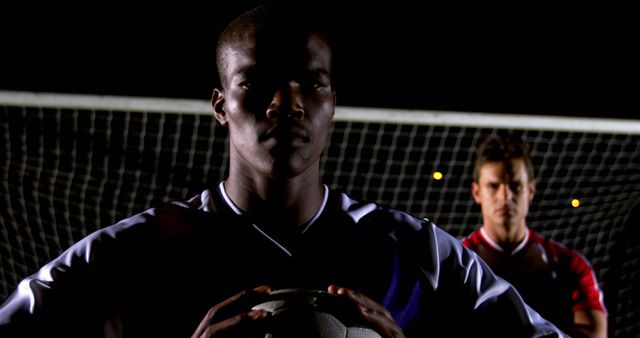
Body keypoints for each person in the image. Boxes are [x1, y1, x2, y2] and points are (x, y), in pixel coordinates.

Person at [0, 3, 567, 338]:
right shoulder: (129, 254)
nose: (285, 102)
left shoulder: (422, 256)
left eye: (309, 83)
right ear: (221, 104)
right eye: (257, 81)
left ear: (331, 102)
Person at [462, 133, 608, 338]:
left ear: (530, 190)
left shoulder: (568, 263)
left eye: (515, 185)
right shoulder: (458, 259)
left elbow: (596, 334)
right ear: (477, 192)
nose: (504, 196)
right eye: (493, 186)